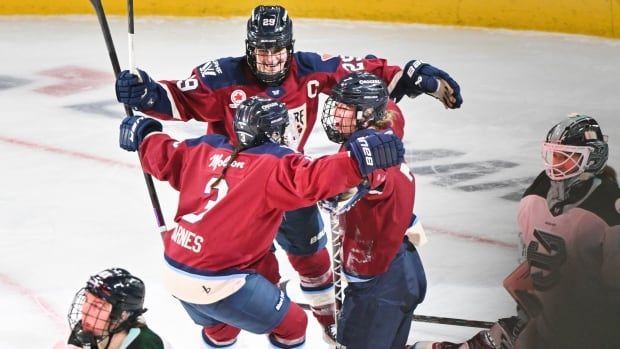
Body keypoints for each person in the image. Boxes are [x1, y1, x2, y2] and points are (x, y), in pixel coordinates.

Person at [115, 5, 462, 341]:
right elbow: (177, 98)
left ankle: (328, 317)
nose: (269, 61)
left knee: (310, 255)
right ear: (249, 49)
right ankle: (253, 314)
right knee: (248, 271)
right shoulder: (223, 76)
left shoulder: (309, 69)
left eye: (277, 52)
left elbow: (360, 78)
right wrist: (147, 92)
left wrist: (408, 75)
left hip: (285, 177)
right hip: (236, 188)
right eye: (261, 52)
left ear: (290, 48)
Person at [117, 96, 405, 348]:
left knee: (222, 328)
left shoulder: (204, 148)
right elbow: (314, 177)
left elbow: (164, 154)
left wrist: (144, 133)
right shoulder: (271, 164)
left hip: (174, 270)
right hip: (219, 281)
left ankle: (221, 336)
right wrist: (358, 161)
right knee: (294, 326)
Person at [413, 114, 620, 349]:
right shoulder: (540, 191)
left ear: (593, 159)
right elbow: (534, 259)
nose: (555, 165)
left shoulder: (609, 211)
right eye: (554, 155)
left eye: (566, 158)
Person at [319, 72, 427, 348]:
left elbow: (373, 173)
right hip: (403, 267)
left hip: (379, 284)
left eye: (345, 108)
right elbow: (391, 107)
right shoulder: (388, 123)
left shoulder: (362, 150)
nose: (336, 115)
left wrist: (342, 186)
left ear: (365, 113)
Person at [57, 267, 170, 349]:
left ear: (123, 315)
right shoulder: (84, 331)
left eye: (97, 305)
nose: (85, 310)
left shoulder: (145, 344)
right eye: (86, 299)